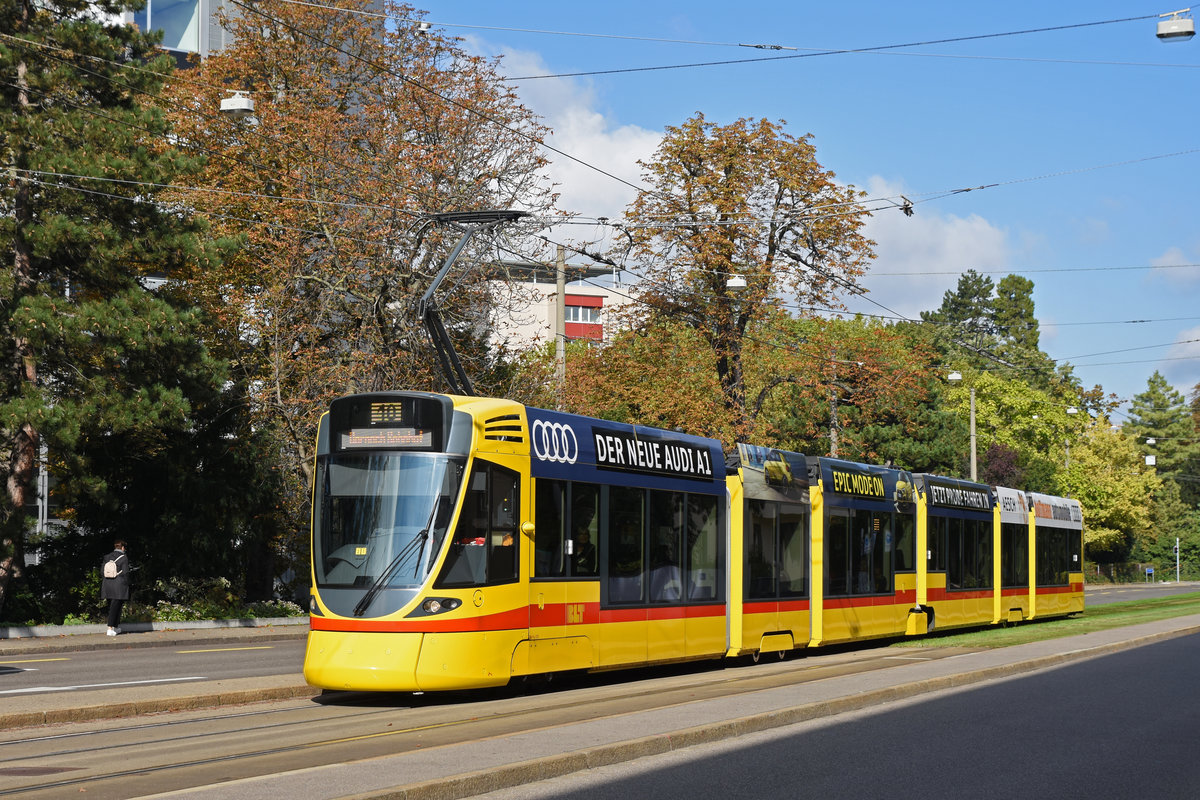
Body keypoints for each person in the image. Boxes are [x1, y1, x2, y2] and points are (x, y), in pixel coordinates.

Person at [101, 540, 131, 636]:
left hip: (107, 585)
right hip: (119, 585)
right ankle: (110, 628)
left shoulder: (107, 557)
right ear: (122, 548)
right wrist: (127, 584)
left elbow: (102, 571)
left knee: (113, 606)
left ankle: (116, 627)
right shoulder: (124, 558)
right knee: (116, 607)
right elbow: (126, 573)